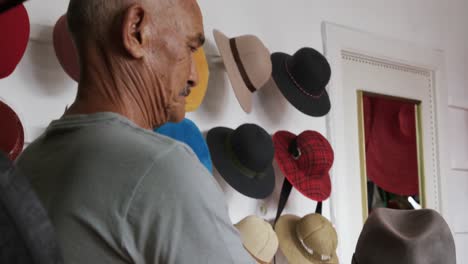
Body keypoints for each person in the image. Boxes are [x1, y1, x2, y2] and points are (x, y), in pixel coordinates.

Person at [16, 0, 254, 263]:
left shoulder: (29, 161)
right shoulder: (164, 170)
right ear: (135, 32)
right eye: (189, 48)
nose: (194, 76)